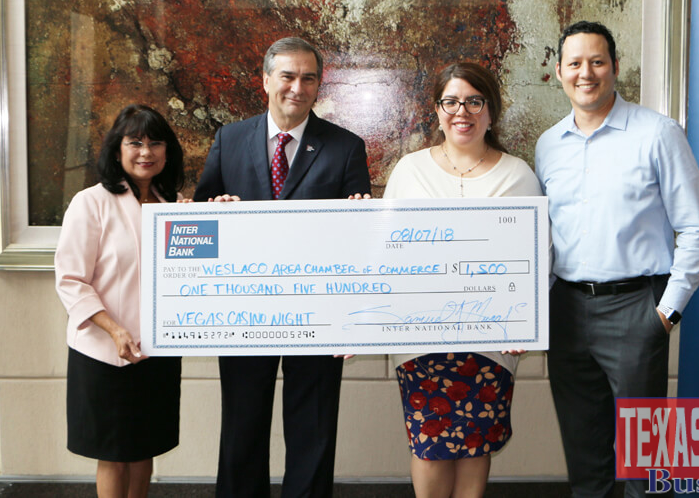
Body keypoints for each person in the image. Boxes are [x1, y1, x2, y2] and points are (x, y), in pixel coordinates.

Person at [535, 21, 699, 497]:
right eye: (575, 63)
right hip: (566, 311)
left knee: (645, 462)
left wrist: (666, 312)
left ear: (615, 66)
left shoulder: (657, 133)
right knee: (585, 458)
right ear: (559, 72)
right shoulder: (548, 145)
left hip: (637, 309)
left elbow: (697, 228)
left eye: (597, 61)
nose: (586, 73)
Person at [193, 37, 372, 498]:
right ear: (266, 80)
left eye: (309, 78)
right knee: (241, 428)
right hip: (243, 312)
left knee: (313, 430)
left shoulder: (346, 147)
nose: (298, 87)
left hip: (319, 315)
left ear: (319, 85)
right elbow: (198, 223)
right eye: (288, 76)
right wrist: (214, 210)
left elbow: (359, 241)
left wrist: (352, 317)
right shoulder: (229, 139)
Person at [383, 62, 542, 498]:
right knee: (430, 446)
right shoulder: (409, 171)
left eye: (474, 101)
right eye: (451, 101)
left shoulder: (519, 176)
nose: (462, 112)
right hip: (420, 341)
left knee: (476, 444)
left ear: (491, 111)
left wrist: (524, 322)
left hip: (490, 343)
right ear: (437, 110)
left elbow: (537, 258)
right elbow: (383, 251)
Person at [55, 104, 186, 498]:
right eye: (135, 143)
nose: (146, 152)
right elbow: (71, 280)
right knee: (113, 453)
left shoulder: (174, 204)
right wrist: (115, 330)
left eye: (155, 143)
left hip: (157, 350)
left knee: (145, 448)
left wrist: (217, 217)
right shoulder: (90, 202)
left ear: (167, 152)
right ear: (117, 150)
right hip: (105, 352)